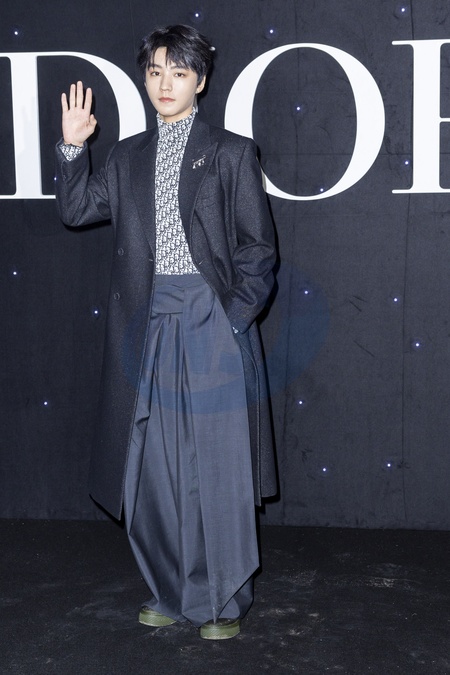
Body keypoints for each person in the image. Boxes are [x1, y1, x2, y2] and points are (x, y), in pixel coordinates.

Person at [55, 24, 276, 640]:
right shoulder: (127, 156)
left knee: (217, 466)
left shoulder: (231, 152)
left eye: (179, 72)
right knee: (150, 465)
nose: (165, 83)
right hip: (145, 324)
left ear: (200, 81)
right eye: (155, 72)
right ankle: (171, 589)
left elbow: (259, 251)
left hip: (210, 320)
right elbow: (76, 210)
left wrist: (232, 318)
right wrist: (72, 148)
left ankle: (223, 599)